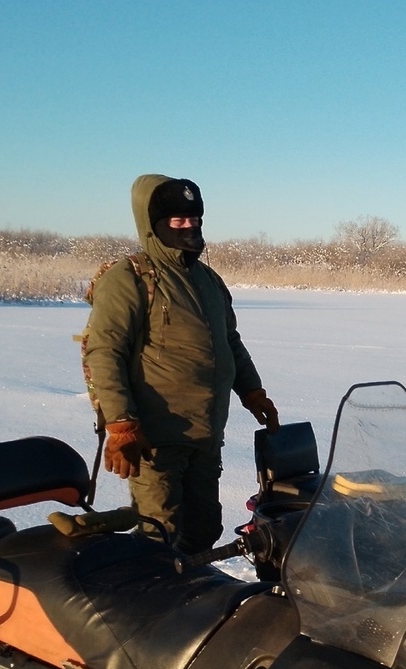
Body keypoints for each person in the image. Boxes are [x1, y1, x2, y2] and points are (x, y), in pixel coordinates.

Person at [82, 174, 279, 554]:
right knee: (160, 534)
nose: (190, 226)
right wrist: (121, 424)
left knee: (204, 529)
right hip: (154, 436)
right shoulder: (130, 278)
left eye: (195, 218)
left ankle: (195, 604)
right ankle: (150, 608)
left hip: (205, 433)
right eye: (177, 220)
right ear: (153, 225)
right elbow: (105, 352)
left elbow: (229, 343)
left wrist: (253, 392)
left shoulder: (208, 279)